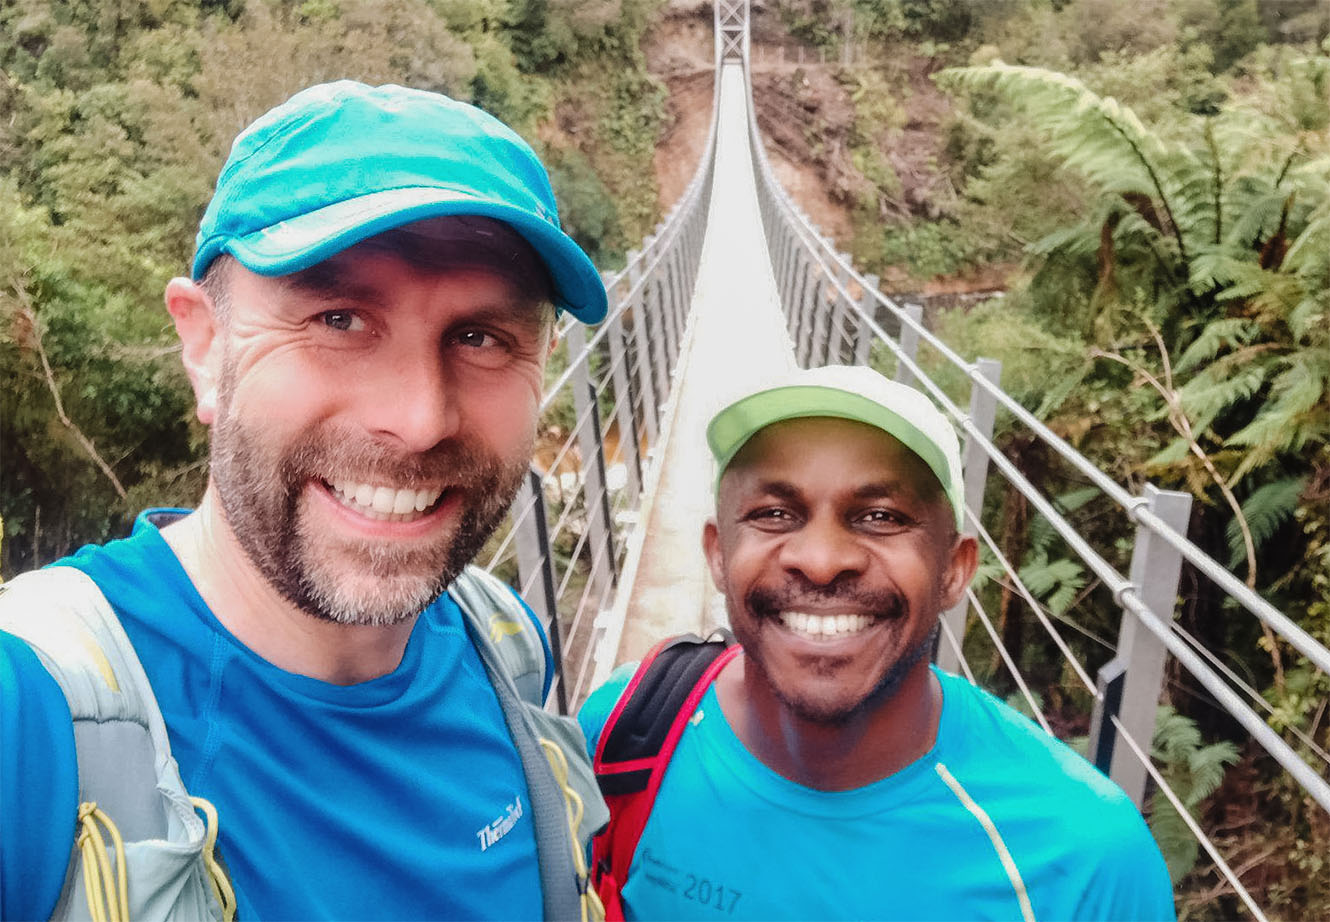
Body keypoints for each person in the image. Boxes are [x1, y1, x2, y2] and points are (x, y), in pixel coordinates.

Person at [0, 81, 611, 921]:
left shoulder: (507, 646)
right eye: (338, 320)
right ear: (204, 346)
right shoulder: (34, 715)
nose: (419, 420)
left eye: (480, 337)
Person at [580, 364, 1176, 921]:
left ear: (954, 570)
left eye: (881, 517)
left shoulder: (1085, 860)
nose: (821, 561)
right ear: (717, 554)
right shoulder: (622, 734)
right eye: (774, 513)